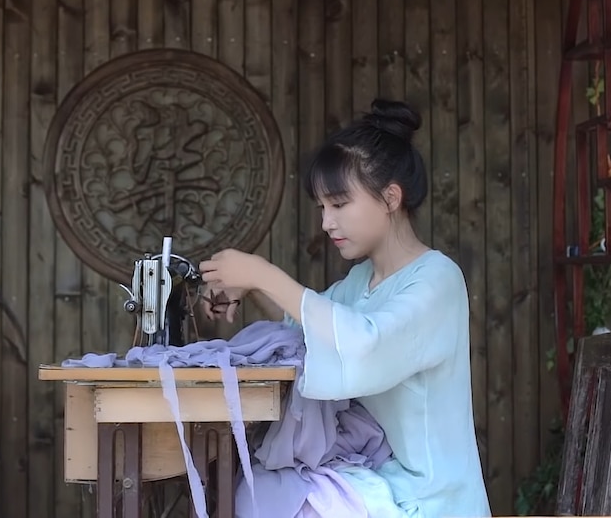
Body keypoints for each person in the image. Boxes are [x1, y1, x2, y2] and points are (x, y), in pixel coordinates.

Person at [198, 99, 491, 518]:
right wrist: (250, 288)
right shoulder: (361, 282)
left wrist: (263, 274)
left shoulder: (437, 280)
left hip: (429, 497)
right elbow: (306, 335)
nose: (326, 223)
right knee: (252, 491)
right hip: (372, 477)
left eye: (338, 204)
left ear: (391, 198)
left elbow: (362, 346)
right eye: (322, 208)